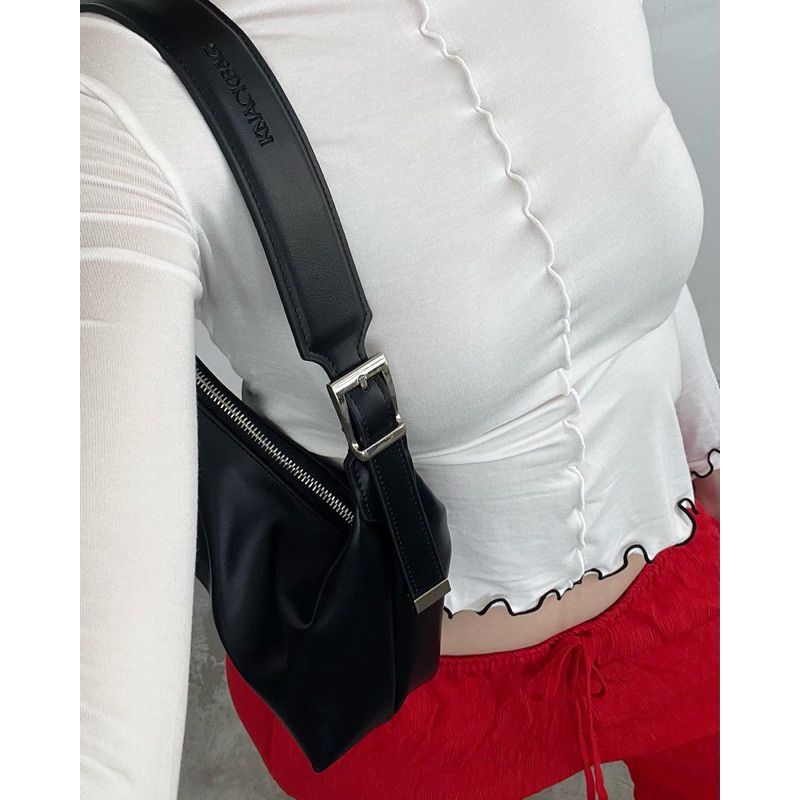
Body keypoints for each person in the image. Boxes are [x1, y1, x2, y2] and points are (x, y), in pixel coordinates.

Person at [80, 1, 720, 799]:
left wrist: (718, 464)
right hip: (400, 714)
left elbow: (633, 270)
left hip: (687, 604)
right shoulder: (114, 88)